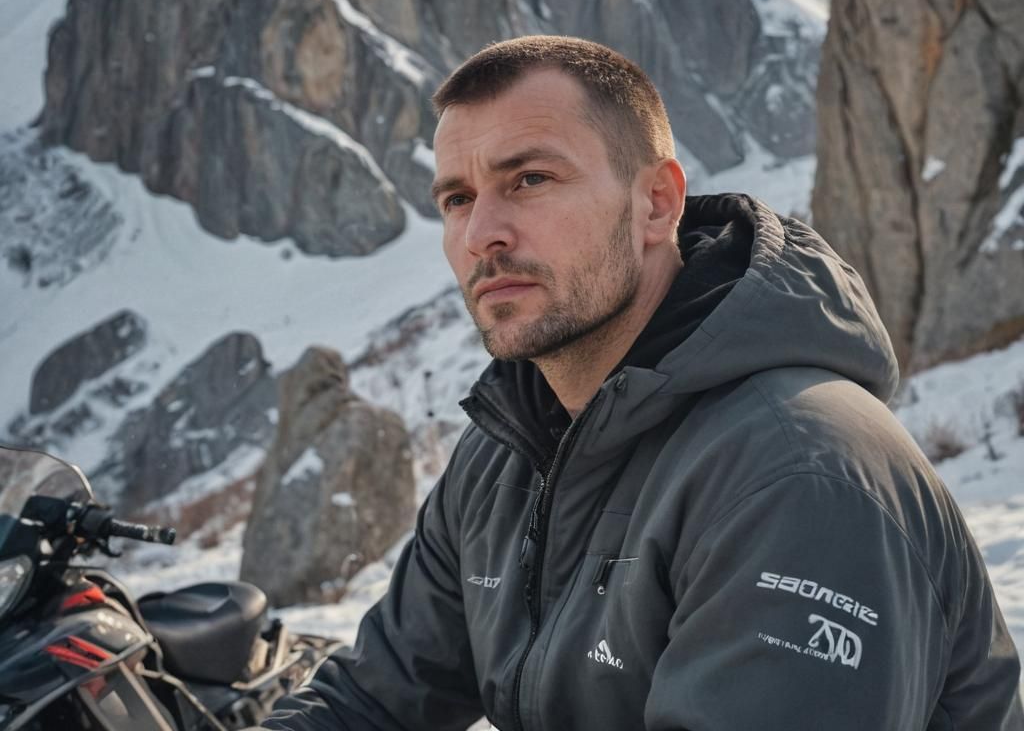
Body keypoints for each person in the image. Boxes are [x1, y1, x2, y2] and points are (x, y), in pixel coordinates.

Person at [261, 36, 1023, 730]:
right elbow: (372, 700)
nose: (479, 234)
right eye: (457, 198)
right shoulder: (505, 451)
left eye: (528, 179)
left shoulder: (797, 472)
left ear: (656, 202)